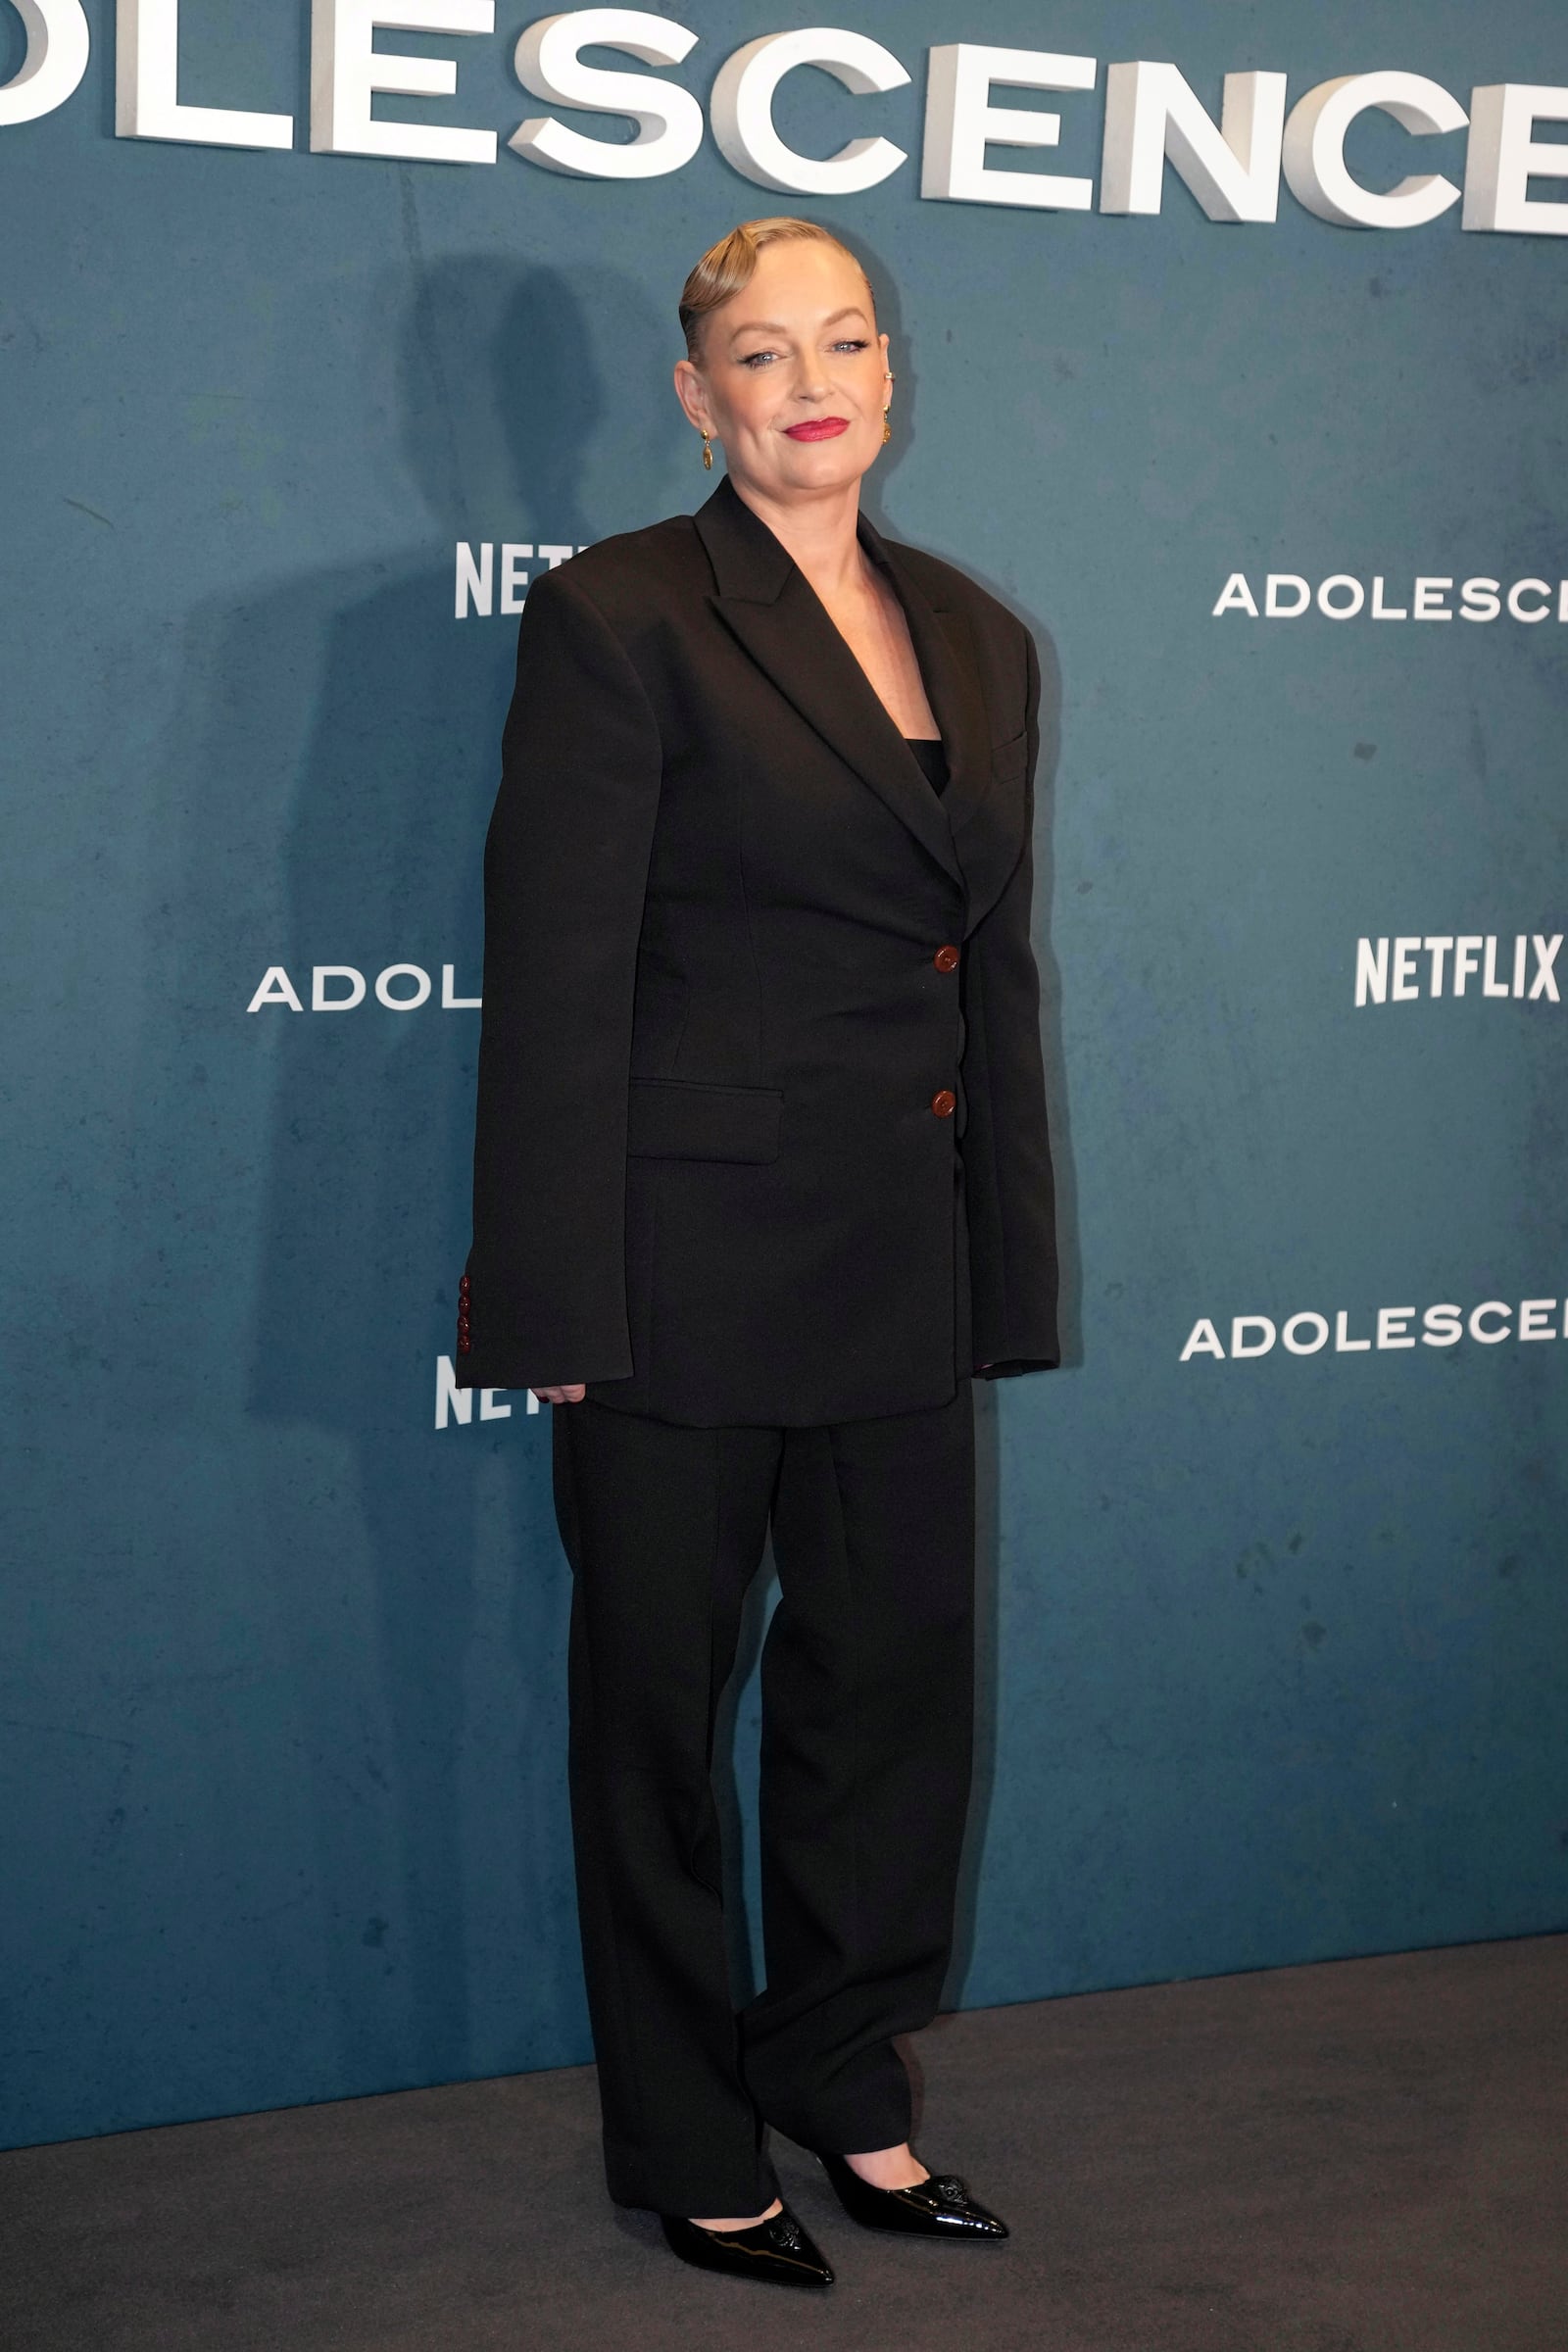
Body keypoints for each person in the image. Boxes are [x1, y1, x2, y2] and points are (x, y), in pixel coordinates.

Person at [454, 217, 1059, 2290]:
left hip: (896, 1254)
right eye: (758, 351)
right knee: (654, 1722)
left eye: (846, 338)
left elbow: (985, 974)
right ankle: (686, 2137)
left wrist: (1007, 1269)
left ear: (890, 370)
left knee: (889, 1704)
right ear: (695, 397)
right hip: (670, 1262)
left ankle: (840, 2079)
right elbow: (550, 978)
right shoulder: (622, 611)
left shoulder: (974, 632)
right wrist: (547, 1296)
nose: (811, 379)